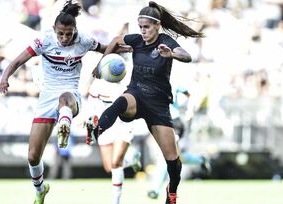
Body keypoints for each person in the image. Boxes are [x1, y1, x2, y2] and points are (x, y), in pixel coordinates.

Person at [85, 1, 204, 204]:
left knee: (173, 164)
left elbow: (187, 56)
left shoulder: (165, 41)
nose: (143, 31)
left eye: (146, 27)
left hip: (158, 105)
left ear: (157, 26)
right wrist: (101, 63)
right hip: (137, 94)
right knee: (121, 102)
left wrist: (171, 54)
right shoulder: (137, 40)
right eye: (140, 27)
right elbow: (114, 40)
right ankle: (96, 129)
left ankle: (171, 193)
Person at [0, 1, 115, 203]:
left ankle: (65, 126)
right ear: (54, 29)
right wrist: (4, 78)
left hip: (70, 94)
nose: (64, 38)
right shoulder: (44, 41)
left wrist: (101, 64)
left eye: (68, 33)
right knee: (33, 156)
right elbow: (17, 61)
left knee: (65, 100)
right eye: (61, 33)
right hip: (46, 97)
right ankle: (40, 189)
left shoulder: (84, 41)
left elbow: (109, 47)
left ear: (74, 30)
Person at [86, 78, 142, 204]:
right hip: (104, 123)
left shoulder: (129, 81)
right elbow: (91, 105)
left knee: (116, 163)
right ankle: (133, 158)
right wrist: (88, 120)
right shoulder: (97, 83)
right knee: (109, 167)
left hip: (123, 123)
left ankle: (116, 201)